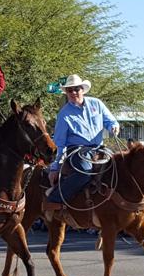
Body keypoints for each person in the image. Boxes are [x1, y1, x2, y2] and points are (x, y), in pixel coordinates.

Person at [45, 75, 119, 208]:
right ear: (66, 93)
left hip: (99, 147)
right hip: (77, 150)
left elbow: (111, 121)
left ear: (82, 90)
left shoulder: (97, 104)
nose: (73, 93)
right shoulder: (64, 114)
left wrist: (114, 127)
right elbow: (59, 143)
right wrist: (55, 167)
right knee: (84, 173)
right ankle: (55, 199)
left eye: (76, 89)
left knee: (117, 165)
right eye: (69, 90)